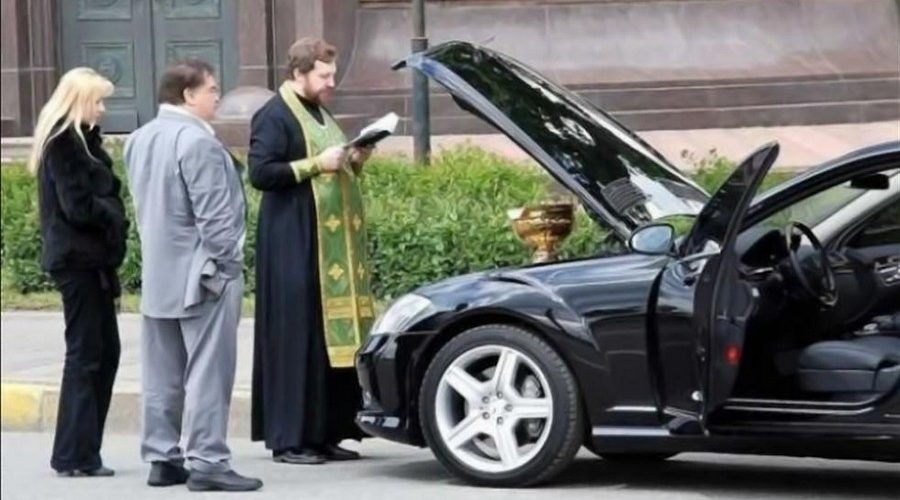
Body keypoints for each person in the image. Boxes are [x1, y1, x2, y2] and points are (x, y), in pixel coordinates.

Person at [124, 59, 262, 492]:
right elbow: (216, 219)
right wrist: (228, 267)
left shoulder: (138, 138)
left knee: (161, 372)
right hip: (203, 275)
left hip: (160, 272)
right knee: (208, 371)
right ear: (187, 95)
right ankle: (208, 460)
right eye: (211, 89)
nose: (217, 96)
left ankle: (162, 456)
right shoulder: (196, 141)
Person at [249, 37, 374, 465]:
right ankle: (289, 439)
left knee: (324, 340)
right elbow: (261, 173)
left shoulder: (319, 110)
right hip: (293, 240)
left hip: (326, 245)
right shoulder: (274, 115)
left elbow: (331, 161)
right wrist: (316, 165)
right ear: (299, 73)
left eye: (331, 74)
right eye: (324, 75)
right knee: (295, 336)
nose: (331, 82)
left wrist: (355, 157)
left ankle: (325, 432)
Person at [30, 67, 128, 478]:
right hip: (78, 262)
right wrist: (113, 216)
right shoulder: (64, 144)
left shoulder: (83, 142)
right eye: (99, 101)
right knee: (87, 354)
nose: (104, 109)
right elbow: (78, 206)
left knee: (104, 352)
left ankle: (83, 450)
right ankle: (74, 454)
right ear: (79, 102)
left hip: (93, 262)